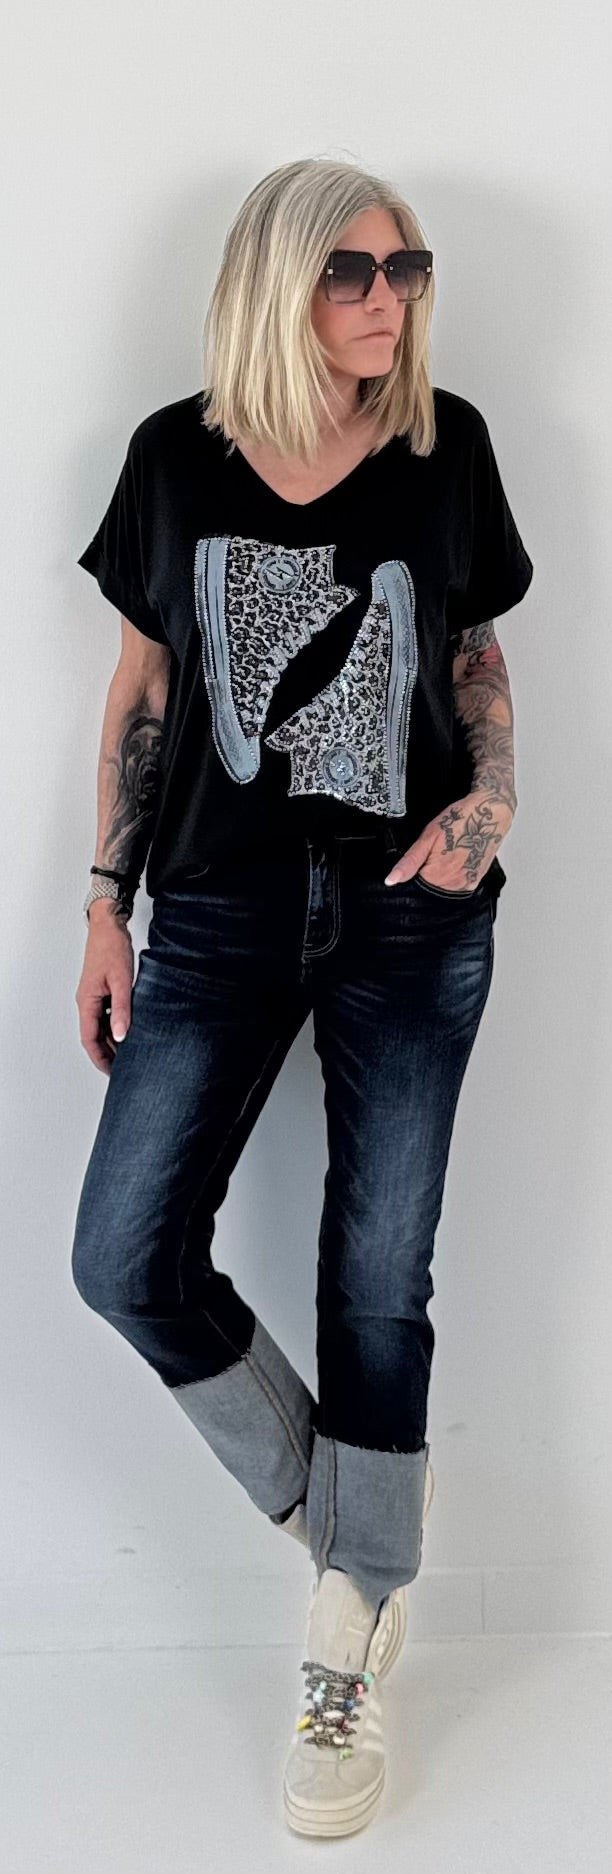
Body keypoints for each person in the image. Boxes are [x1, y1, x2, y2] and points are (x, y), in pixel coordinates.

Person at [71, 155, 534, 1839]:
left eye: (407, 269)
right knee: (123, 1253)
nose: (388, 298)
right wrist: (104, 900)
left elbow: (475, 655)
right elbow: (142, 688)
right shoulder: (172, 456)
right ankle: (352, 1532)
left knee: (377, 1274)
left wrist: (491, 808)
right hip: (214, 907)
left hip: (412, 910)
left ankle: (345, 1643)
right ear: (278, 278)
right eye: (353, 269)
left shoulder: (444, 443)